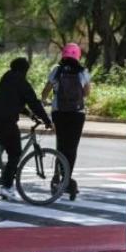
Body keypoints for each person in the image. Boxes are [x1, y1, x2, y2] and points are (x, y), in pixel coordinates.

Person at [0, 57, 53, 201]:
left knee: (4, 135)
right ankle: (7, 187)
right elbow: (34, 102)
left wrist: (30, 115)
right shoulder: (22, 83)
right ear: (25, 70)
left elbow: (14, 101)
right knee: (15, 153)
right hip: (5, 120)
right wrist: (47, 120)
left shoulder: (6, 79)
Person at [40, 43, 91, 200]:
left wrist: (44, 102)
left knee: (60, 145)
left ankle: (57, 175)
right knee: (72, 147)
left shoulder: (56, 70)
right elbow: (87, 93)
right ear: (78, 56)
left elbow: (45, 92)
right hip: (77, 114)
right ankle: (67, 178)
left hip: (59, 113)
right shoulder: (83, 72)